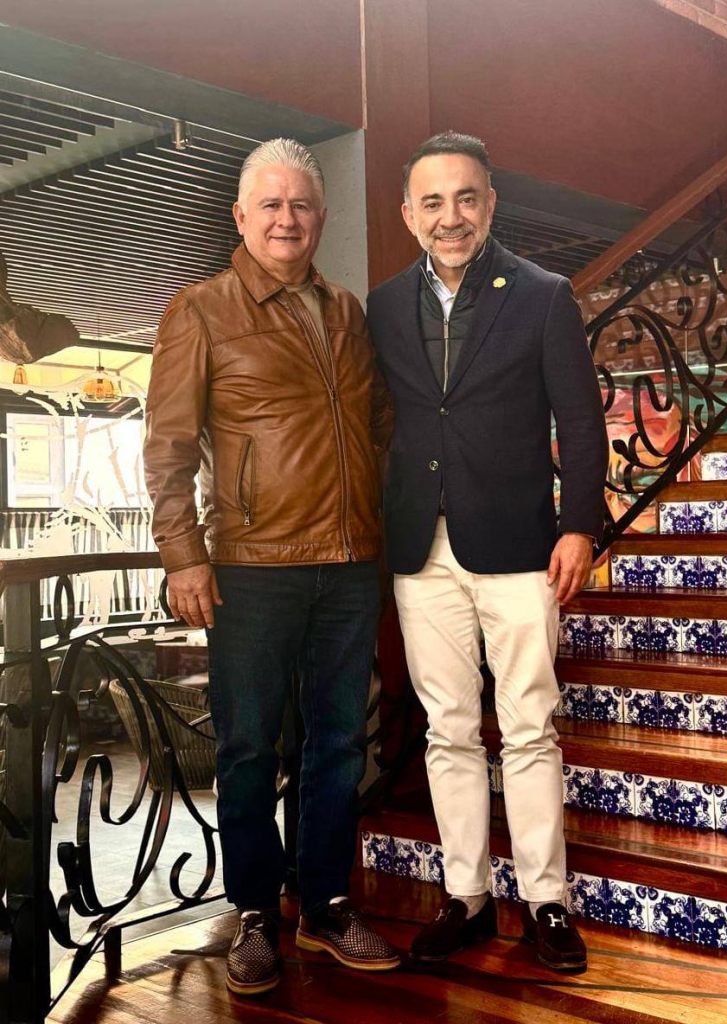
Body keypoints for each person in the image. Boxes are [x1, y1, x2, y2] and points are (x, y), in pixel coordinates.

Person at [143, 138, 397, 997]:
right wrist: (183, 554)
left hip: (350, 562)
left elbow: (378, 425)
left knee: (339, 744)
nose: (287, 219)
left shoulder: (347, 311)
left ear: (320, 217)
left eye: (302, 206)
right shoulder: (200, 310)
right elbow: (169, 448)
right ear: (242, 217)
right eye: (271, 205)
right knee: (249, 745)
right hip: (249, 566)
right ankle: (254, 912)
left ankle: (324, 905)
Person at [366, 131, 608, 972]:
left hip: (519, 545)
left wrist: (579, 524)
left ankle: (546, 902)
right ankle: (466, 898)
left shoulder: (543, 295)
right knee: (449, 729)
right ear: (408, 214)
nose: (451, 216)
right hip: (419, 548)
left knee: (529, 725)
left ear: (491, 204)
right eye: (432, 202)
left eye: (466, 198)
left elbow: (580, 421)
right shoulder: (383, 307)